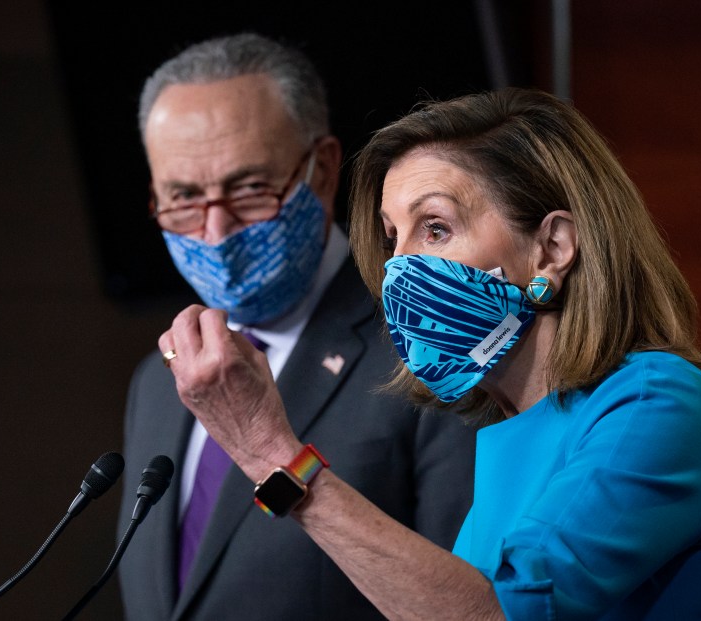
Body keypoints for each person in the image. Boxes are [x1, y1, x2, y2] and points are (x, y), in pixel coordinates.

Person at [160, 87, 701, 620]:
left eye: (436, 228)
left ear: (552, 248)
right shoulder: (507, 429)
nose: (399, 270)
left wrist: (271, 453)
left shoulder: (655, 403)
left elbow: (495, 615)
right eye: (393, 238)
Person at [116, 33, 477, 621]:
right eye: (183, 197)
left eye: (250, 188)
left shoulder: (431, 347)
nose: (215, 231)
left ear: (324, 170)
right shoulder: (158, 382)